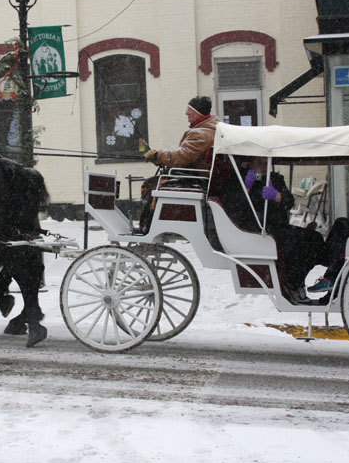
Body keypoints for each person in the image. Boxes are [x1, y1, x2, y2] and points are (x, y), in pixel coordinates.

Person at [239, 157, 324, 305]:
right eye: (260, 163)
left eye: (267, 163)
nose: (264, 167)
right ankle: (292, 283)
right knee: (297, 243)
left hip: (279, 226)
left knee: (314, 238)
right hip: (257, 229)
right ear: (250, 163)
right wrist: (246, 188)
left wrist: (276, 196)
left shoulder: (275, 179)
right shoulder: (240, 179)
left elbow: (289, 201)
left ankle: (296, 281)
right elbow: (235, 206)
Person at [137, 95, 220, 233]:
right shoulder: (208, 129)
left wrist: (158, 155)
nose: (186, 113)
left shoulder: (201, 133)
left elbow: (182, 157)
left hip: (195, 180)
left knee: (151, 184)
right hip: (199, 178)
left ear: (198, 112)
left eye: (190, 110)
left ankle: (149, 226)